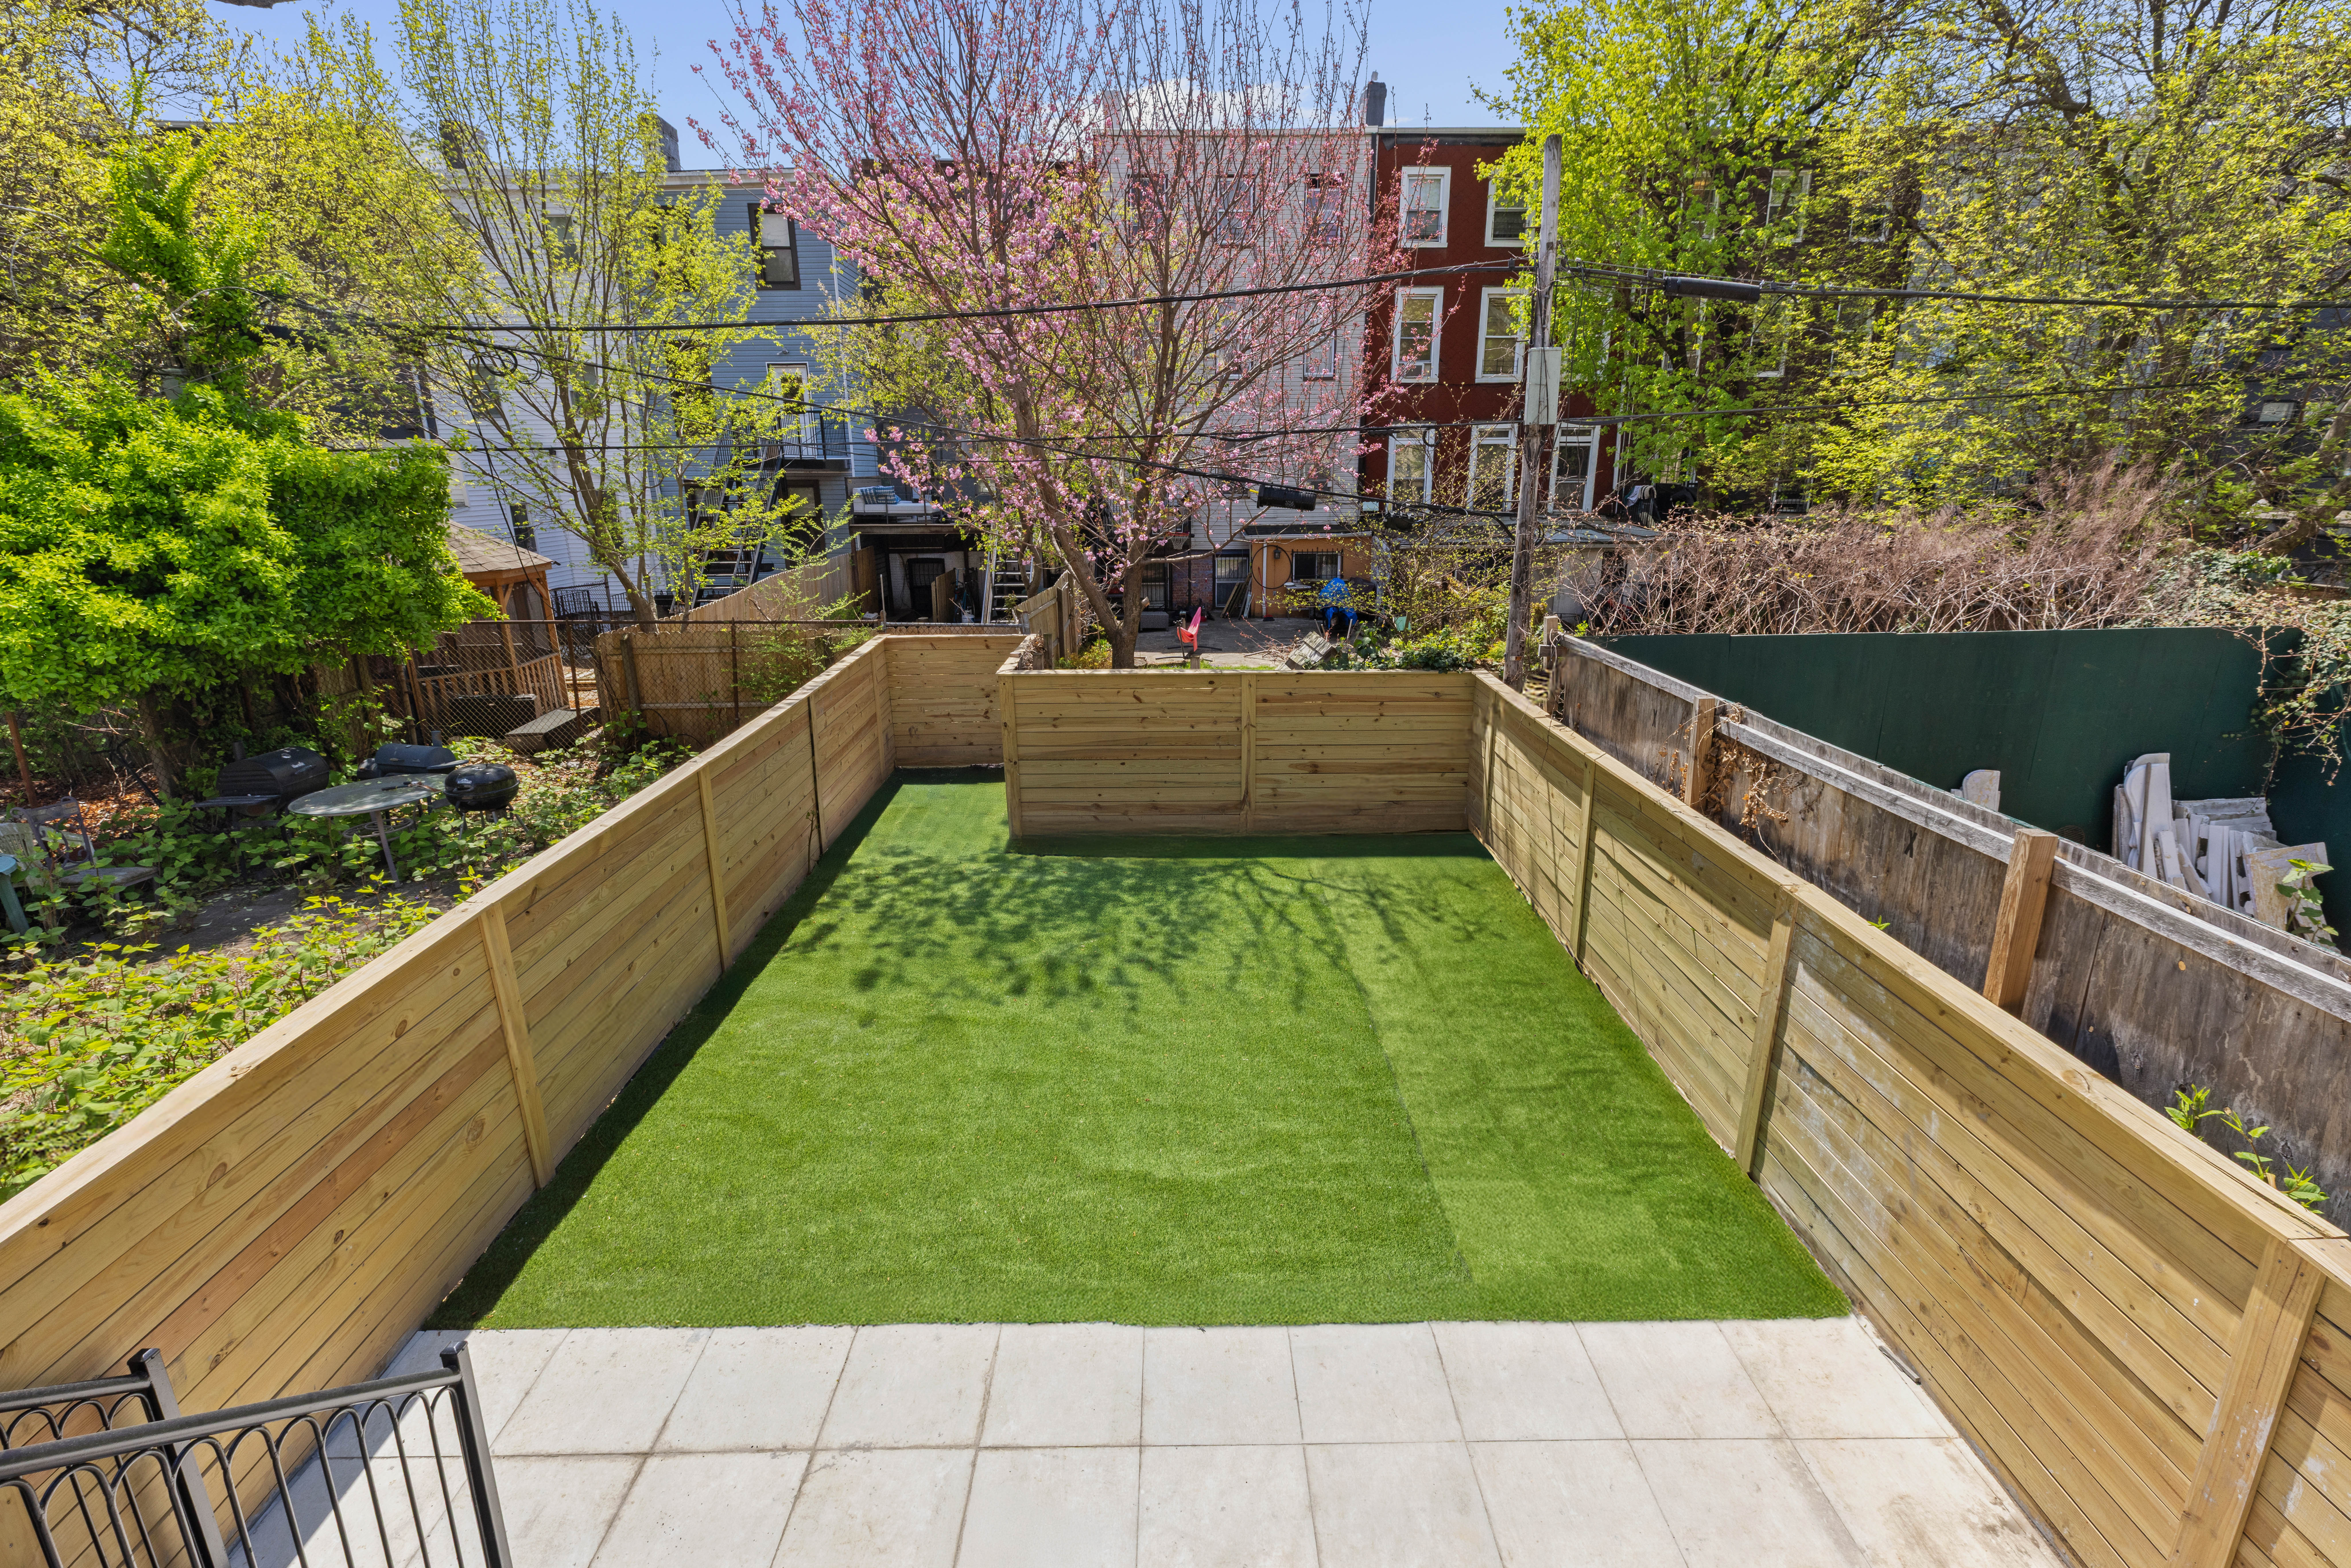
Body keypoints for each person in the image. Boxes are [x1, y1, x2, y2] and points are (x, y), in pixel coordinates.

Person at [1318, 575, 1355, 639]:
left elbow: (1322, 598)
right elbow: (1349, 599)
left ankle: (1329, 628)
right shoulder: (1343, 590)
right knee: (1348, 612)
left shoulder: (1328, 590)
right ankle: (1345, 627)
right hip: (1342, 609)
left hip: (1331, 609)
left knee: (1329, 613)